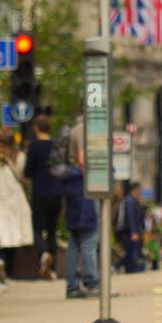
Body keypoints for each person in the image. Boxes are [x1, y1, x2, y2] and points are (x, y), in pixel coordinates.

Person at [0, 133, 33, 283]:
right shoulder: (18, 156)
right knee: (14, 235)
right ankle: (9, 272)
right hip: (15, 198)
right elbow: (25, 177)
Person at [63, 117, 100, 299]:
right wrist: (97, 181)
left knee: (75, 240)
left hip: (73, 185)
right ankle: (92, 283)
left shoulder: (74, 129)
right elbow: (83, 158)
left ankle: (72, 286)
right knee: (89, 237)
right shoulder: (85, 128)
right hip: (84, 186)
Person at [23, 114, 60, 279]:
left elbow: (27, 172)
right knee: (52, 231)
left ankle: (43, 255)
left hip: (39, 193)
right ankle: (52, 269)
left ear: (36, 128)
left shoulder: (34, 146)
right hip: (56, 193)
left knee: (37, 229)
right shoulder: (56, 146)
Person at [117, 182, 147, 273]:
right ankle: (120, 267)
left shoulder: (132, 201)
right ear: (136, 190)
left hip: (131, 232)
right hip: (130, 233)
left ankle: (126, 269)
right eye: (140, 191)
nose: (141, 193)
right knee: (132, 254)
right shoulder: (130, 201)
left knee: (131, 253)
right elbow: (130, 217)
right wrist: (134, 232)